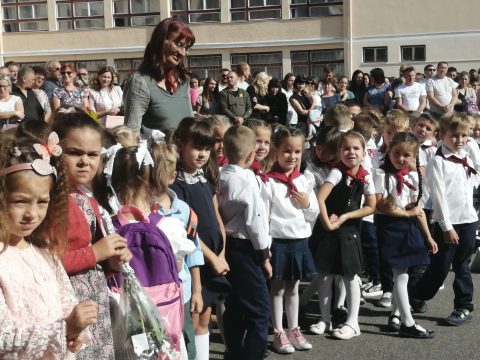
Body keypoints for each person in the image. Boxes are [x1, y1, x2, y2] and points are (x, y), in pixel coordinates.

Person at [0, 128, 98, 358]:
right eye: (20, 201)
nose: (32, 214)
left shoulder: (44, 253)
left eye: (42, 202)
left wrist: (76, 332)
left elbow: (66, 303)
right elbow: (3, 338)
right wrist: (64, 330)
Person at [52, 112, 131, 360]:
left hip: (94, 304)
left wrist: (113, 260)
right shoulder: (50, 202)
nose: (85, 161)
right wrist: (97, 252)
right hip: (68, 308)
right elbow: (50, 261)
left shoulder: (88, 199)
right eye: (75, 152)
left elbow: (96, 261)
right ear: (55, 151)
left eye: (92, 154)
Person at [170, 117, 229, 360]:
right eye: (197, 147)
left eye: (207, 148)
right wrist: (212, 257)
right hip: (197, 261)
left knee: (206, 316)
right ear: (180, 145)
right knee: (194, 317)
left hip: (215, 258)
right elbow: (187, 230)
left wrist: (222, 253)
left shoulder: (204, 178)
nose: (203, 154)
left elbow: (217, 217)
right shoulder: (177, 184)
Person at [412, 113, 479, 326]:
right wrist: (447, 226)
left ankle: (463, 306)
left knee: (462, 265)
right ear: (443, 135)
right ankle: (418, 294)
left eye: (464, 136)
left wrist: (473, 192)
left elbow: (475, 176)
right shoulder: (438, 161)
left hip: (468, 220)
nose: (459, 140)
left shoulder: (466, 155)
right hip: (447, 224)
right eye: (454, 135)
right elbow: (439, 197)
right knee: (440, 267)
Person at [373, 132, 437, 338]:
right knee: (400, 274)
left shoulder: (412, 177)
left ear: (414, 156)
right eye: (397, 153)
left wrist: (428, 236)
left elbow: (416, 210)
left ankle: (395, 315)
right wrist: (408, 213)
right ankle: (408, 323)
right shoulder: (381, 174)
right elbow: (383, 207)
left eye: (407, 155)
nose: (401, 158)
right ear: (389, 151)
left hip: (409, 227)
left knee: (405, 273)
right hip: (390, 227)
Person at [314, 131, 376, 340]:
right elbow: (320, 198)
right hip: (329, 230)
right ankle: (324, 319)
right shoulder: (336, 173)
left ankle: (353, 322)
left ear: (364, 151)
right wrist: (327, 224)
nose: (351, 152)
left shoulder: (365, 176)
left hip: (349, 231)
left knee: (351, 276)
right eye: (346, 148)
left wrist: (346, 216)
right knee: (324, 275)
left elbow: (371, 206)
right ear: (339, 152)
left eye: (356, 148)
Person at [219, 125, 271, 360]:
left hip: (227, 245)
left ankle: (234, 352)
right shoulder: (246, 182)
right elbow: (255, 222)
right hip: (246, 247)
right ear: (251, 155)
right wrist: (264, 255)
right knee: (259, 311)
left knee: (235, 306)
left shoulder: (222, 175)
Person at [149, 139, 204, 360]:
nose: (149, 184)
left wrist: (198, 291)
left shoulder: (184, 211)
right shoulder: (141, 212)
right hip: (154, 296)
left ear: (172, 177)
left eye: (155, 177)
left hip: (183, 293)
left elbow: (194, 251)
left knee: (186, 342)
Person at [265, 126, 319, 354]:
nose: (292, 157)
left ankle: (294, 329)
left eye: (297, 152)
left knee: (294, 288)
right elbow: (264, 216)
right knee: (277, 288)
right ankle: (278, 331)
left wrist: (307, 204)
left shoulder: (304, 181)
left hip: (299, 241)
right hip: (278, 241)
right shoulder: (268, 182)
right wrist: (265, 247)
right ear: (276, 151)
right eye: (287, 151)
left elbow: (313, 212)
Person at [124, 18, 195, 135]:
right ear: (160, 41)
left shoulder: (183, 81)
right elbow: (130, 136)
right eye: (178, 44)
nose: (183, 53)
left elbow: (190, 124)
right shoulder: (140, 82)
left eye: (186, 48)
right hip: (154, 153)